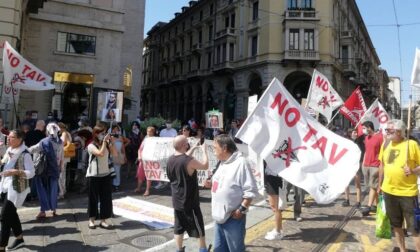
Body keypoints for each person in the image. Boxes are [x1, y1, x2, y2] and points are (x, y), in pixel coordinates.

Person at [377, 119, 420, 251]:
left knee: (414, 227)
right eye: (386, 130)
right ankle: (402, 249)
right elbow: (382, 166)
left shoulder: (411, 144)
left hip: (407, 193)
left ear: (399, 132)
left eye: (390, 130)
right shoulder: (385, 144)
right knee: (396, 224)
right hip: (389, 191)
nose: (387, 133)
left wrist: (412, 170)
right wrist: (380, 185)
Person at [210, 134, 258, 251]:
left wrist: (241, 209)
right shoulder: (222, 162)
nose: (213, 151)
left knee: (236, 249)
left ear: (224, 148)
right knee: (218, 249)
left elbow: (250, 190)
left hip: (233, 219)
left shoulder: (241, 163)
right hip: (218, 218)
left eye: (215, 148)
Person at [166, 135, 209, 252]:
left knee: (178, 227)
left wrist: (194, 148)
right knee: (198, 225)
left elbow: (182, 159)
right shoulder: (189, 161)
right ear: (183, 145)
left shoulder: (170, 159)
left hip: (177, 199)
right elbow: (205, 166)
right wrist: (204, 151)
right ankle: (203, 248)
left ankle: (179, 249)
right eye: (186, 143)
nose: (188, 144)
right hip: (189, 200)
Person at [0, 129, 35, 251]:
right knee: (11, 214)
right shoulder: (10, 149)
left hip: (16, 189)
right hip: (5, 186)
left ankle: (1, 246)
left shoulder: (25, 154)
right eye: (8, 137)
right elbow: (3, 162)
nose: (8, 139)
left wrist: (17, 172)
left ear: (20, 140)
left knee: (4, 216)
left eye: (11, 137)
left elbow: (31, 173)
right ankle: (19, 238)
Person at [29, 123, 64, 219]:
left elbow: (33, 149)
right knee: (53, 190)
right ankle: (54, 210)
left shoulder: (44, 141)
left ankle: (43, 211)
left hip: (43, 169)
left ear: (48, 131)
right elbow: (61, 156)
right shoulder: (60, 142)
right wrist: (61, 167)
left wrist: (23, 150)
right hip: (55, 169)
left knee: (42, 190)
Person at [86, 123, 117, 229]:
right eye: (101, 133)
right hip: (94, 175)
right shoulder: (90, 145)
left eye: (104, 133)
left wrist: (112, 143)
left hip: (106, 174)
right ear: (95, 134)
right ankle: (91, 220)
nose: (103, 135)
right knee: (93, 198)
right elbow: (100, 153)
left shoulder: (106, 144)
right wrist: (104, 142)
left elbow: (115, 154)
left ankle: (103, 220)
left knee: (106, 198)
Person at [360, 121, 383, 216]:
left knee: (373, 185)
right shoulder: (366, 138)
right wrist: (363, 164)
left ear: (370, 127)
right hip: (366, 165)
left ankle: (368, 206)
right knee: (371, 186)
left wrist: (381, 166)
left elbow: (383, 152)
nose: (363, 130)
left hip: (375, 165)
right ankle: (378, 206)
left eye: (364, 128)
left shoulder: (380, 137)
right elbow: (366, 151)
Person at [342, 128, 364, 207]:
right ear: (350, 133)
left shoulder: (359, 142)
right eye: (354, 132)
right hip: (347, 165)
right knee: (346, 183)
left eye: (356, 132)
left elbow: (362, 152)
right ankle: (346, 199)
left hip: (356, 165)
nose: (356, 134)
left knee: (357, 183)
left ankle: (358, 202)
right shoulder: (347, 142)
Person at [264, 169, 284, 240]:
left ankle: (278, 232)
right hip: (271, 178)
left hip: (274, 178)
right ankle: (279, 228)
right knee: (274, 206)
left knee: (275, 207)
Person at [135, 126, 154, 196]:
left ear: (153, 132)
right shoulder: (145, 140)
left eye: (150, 131)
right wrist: (139, 156)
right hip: (142, 160)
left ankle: (147, 190)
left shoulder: (155, 140)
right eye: (147, 131)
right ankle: (138, 188)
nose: (148, 133)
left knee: (148, 176)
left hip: (150, 160)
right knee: (140, 174)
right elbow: (140, 149)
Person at [109, 124, 127, 192]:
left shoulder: (120, 137)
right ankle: (110, 184)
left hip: (118, 156)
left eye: (117, 129)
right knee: (110, 171)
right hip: (110, 155)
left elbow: (123, 148)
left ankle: (116, 185)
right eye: (114, 129)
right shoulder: (109, 137)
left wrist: (124, 156)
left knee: (117, 170)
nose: (116, 130)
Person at [57, 122, 72, 199]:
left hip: (63, 156)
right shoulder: (67, 133)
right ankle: (63, 190)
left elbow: (63, 143)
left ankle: (61, 192)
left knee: (61, 174)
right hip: (65, 156)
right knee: (62, 174)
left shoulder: (64, 134)